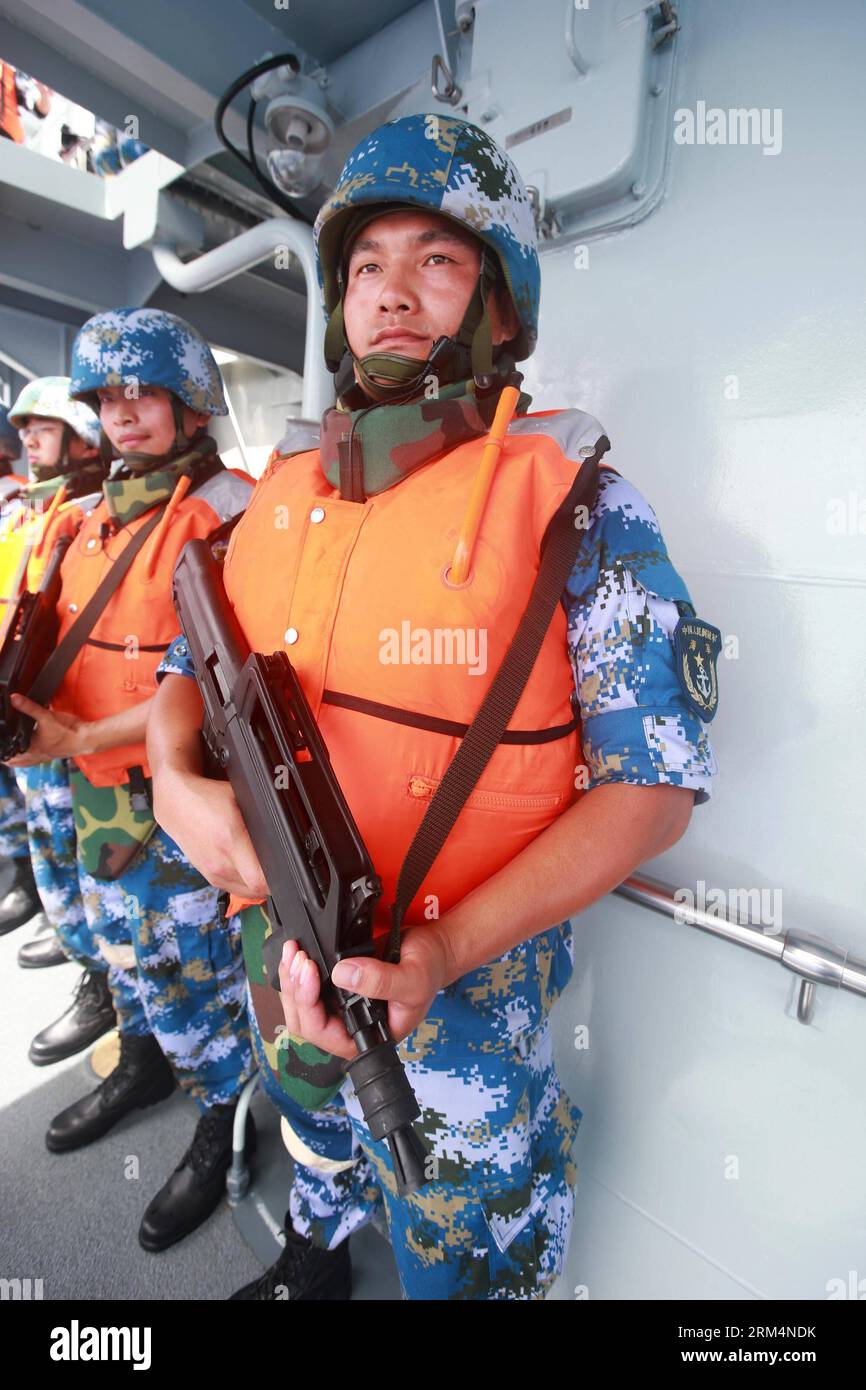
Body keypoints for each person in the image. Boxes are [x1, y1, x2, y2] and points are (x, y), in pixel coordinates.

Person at [148, 114, 719, 1299]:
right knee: (315, 1135)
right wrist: (172, 780)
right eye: (365, 267)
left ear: (500, 307)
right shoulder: (274, 497)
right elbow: (179, 678)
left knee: (462, 1258)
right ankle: (313, 1249)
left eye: (437, 260)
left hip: (460, 1018)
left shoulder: (579, 504)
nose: (392, 293)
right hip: (282, 959)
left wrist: (447, 945)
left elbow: (652, 787)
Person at [6, 310, 257, 1252]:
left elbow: (214, 678)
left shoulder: (228, 509)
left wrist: (79, 732)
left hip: (174, 796)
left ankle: (218, 1118)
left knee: (196, 977)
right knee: (122, 952)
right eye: (107, 397)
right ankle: (146, 1063)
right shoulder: (88, 512)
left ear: (190, 401)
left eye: (143, 392)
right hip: (87, 784)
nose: (122, 412)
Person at [0, 379, 105, 949]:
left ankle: (88, 953)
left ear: (83, 438)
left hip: (61, 707)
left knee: (71, 838)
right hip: (21, 699)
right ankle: (66, 927)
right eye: (28, 432)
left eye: (44, 429)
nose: (31, 442)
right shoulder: (26, 510)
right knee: (42, 828)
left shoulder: (86, 514)